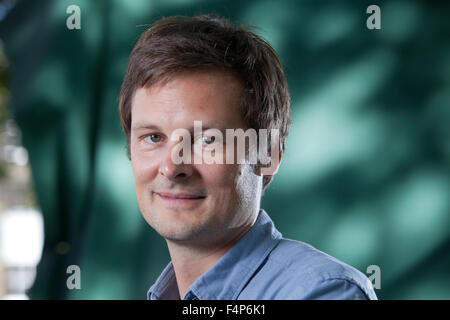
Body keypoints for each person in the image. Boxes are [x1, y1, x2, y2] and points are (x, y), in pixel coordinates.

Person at [118, 14, 377, 300]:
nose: (171, 166)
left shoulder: (322, 292)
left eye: (208, 140)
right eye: (153, 137)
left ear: (269, 153)